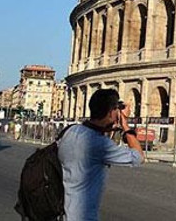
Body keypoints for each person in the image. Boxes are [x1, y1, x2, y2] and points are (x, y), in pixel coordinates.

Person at [58, 89, 144, 221]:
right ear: (110, 113)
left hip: (64, 212)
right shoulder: (99, 144)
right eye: (116, 109)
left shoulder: (70, 131)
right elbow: (138, 157)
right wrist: (125, 125)